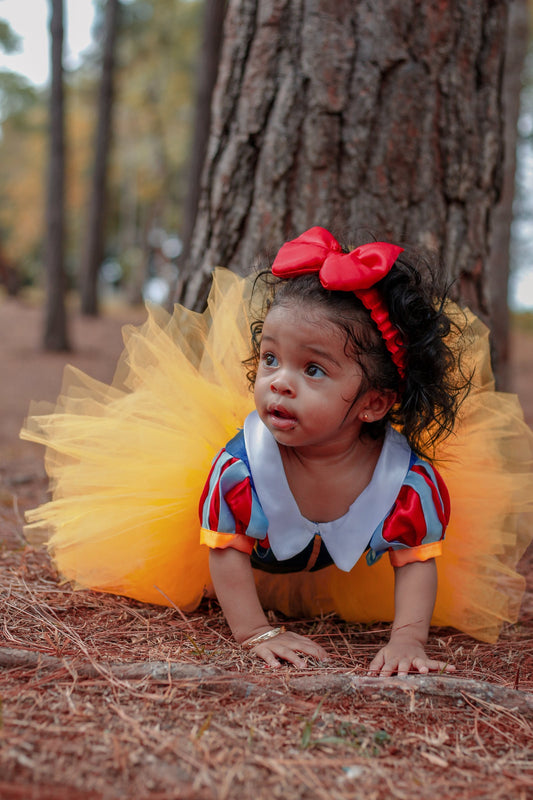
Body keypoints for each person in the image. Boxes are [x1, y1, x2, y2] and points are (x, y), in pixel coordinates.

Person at [20, 227, 533, 675]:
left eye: (313, 370)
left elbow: (415, 560)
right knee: (216, 554)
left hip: (332, 564)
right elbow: (224, 549)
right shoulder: (239, 470)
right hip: (237, 568)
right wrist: (255, 633)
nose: (279, 384)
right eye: (270, 359)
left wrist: (407, 638)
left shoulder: (406, 483)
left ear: (374, 403)